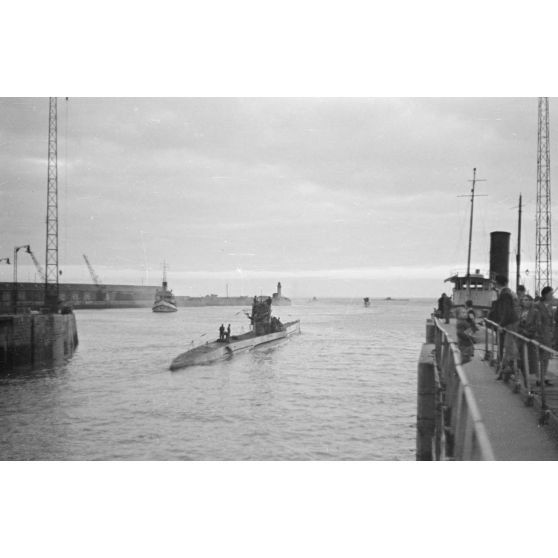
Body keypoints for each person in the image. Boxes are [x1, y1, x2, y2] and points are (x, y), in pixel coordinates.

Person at [489, 275, 520, 381]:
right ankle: (506, 368)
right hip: (510, 321)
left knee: (509, 345)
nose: (493, 284)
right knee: (508, 345)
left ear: (498, 282)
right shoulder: (505, 292)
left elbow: (506, 311)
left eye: (494, 282)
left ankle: (510, 367)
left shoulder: (505, 294)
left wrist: (501, 324)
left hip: (510, 322)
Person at [531, 286, 554, 386]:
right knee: (539, 356)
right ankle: (538, 377)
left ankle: (543, 376)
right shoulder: (537, 305)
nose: (552, 295)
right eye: (550, 294)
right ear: (545, 294)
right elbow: (535, 320)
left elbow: (551, 320)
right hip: (539, 334)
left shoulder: (550, 306)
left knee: (546, 356)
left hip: (547, 334)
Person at [456, 300, 478, 364]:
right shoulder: (468, 311)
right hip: (468, 328)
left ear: (467, 304)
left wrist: (473, 326)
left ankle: (469, 354)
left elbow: (472, 319)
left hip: (469, 326)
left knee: (470, 340)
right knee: (469, 341)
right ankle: (468, 354)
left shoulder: (470, 311)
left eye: (465, 304)